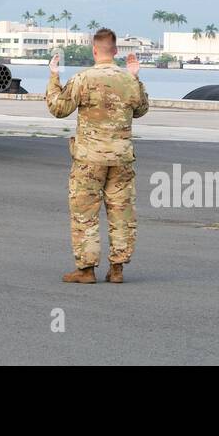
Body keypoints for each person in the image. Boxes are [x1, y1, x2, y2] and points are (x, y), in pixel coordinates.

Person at [46, 28, 149, 284]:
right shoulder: (127, 80)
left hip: (89, 160)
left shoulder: (83, 78)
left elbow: (59, 109)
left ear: (94, 50)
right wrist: (135, 78)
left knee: (85, 213)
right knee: (121, 213)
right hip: (121, 160)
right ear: (115, 51)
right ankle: (117, 269)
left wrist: (53, 76)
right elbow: (141, 110)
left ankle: (86, 269)